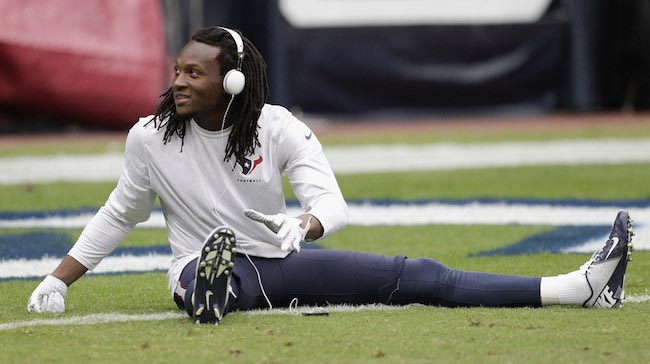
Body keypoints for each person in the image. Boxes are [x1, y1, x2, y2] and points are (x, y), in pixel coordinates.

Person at [27, 27, 635, 324]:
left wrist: (303, 226)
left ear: (232, 82)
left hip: (280, 258)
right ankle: (204, 293)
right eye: (177, 71)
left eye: (195, 73)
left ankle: (576, 288)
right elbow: (120, 213)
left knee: (420, 275)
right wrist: (59, 280)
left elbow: (333, 204)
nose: (179, 83)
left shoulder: (277, 126)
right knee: (212, 278)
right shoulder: (150, 136)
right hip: (202, 263)